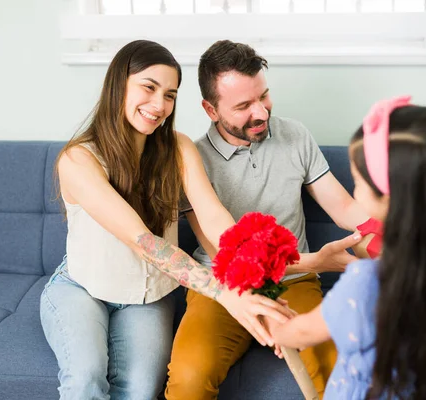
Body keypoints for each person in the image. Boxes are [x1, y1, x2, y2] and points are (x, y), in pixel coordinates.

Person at [39, 39, 290, 400]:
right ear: (118, 85)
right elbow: (142, 240)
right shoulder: (78, 160)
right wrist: (225, 294)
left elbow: (215, 217)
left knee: (141, 392)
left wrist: (255, 286)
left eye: (170, 95)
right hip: (82, 288)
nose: (159, 105)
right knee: (85, 378)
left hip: (149, 297)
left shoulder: (180, 148)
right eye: (149, 87)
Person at [165, 40, 369, 399]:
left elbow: (343, 207)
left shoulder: (295, 135)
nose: (261, 112)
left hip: (295, 279)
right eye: (243, 106)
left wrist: (393, 233)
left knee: (338, 365)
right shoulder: (193, 159)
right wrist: (319, 261)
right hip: (223, 286)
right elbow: (223, 248)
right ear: (210, 109)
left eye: (264, 96)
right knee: (188, 377)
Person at [270, 96, 426, 400]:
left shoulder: (367, 281)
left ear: (392, 198)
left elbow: (301, 333)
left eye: (358, 182)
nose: (354, 190)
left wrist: (275, 322)